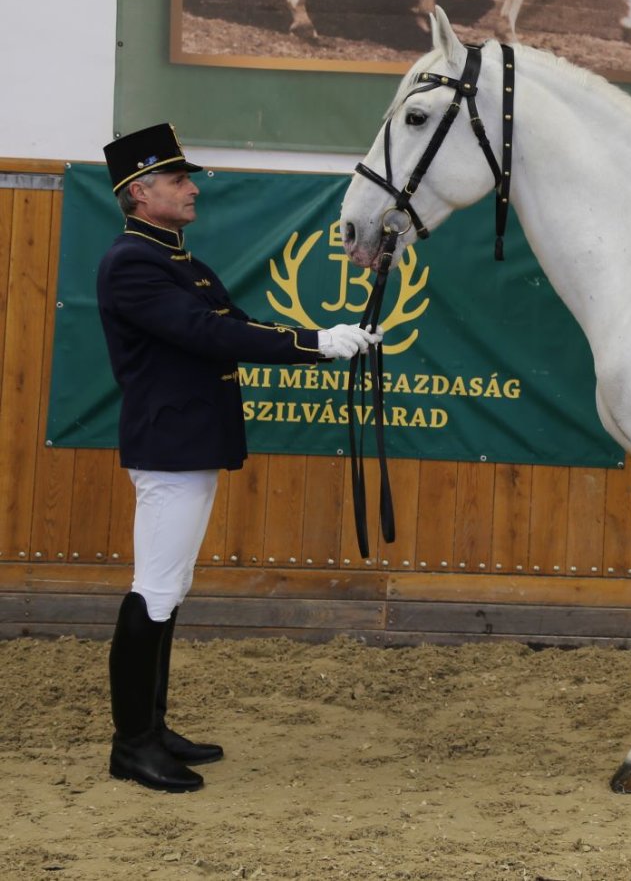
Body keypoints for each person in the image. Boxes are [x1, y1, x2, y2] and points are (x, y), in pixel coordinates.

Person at [97, 123, 380, 793]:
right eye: (176, 179)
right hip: (170, 446)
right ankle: (131, 743)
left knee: (171, 589)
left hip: (189, 443)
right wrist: (317, 341)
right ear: (140, 192)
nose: (191, 188)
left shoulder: (179, 260)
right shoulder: (133, 261)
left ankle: (152, 727)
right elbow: (206, 331)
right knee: (156, 589)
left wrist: (322, 341)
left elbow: (234, 321)